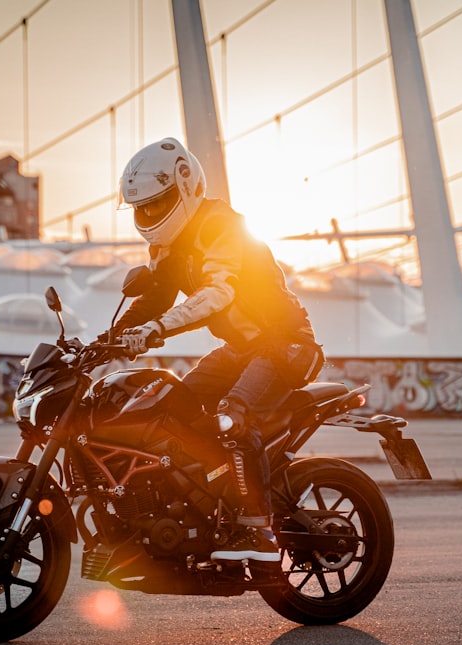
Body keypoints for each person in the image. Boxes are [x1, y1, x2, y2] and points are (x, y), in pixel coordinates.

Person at [110, 137, 324, 564]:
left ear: (186, 188)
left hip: (285, 345)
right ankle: (205, 507)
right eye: (142, 207)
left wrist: (155, 330)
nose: (149, 215)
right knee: (171, 408)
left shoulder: (221, 227)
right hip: (241, 350)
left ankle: (259, 530)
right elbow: (154, 298)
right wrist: (109, 338)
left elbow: (217, 293)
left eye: (158, 203)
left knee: (232, 418)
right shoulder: (168, 246)